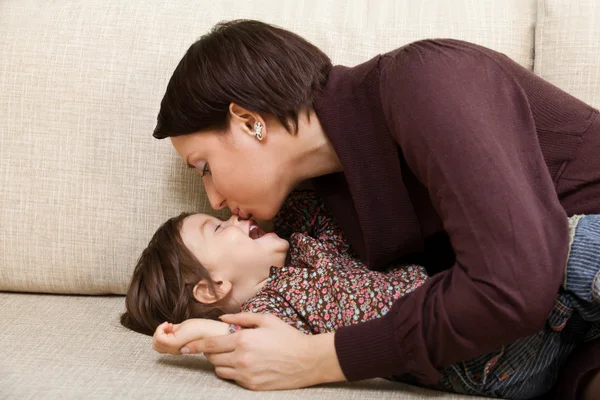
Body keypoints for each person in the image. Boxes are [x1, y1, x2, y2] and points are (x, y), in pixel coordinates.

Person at [150, 19, 600, 399]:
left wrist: (317, 359)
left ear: (250, 122)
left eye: (204, 167)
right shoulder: (325, 212)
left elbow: (510, 287)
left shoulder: (427, 78)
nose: (214, 201)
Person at [122, 189, 600, 399]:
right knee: (574, 240)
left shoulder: (309, 243)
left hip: (530, 334)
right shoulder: (271, 311)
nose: (235, 218)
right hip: (480, 356)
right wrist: (184, 334)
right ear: (213, 288)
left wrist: (251, 197)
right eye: (218, 227)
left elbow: (306, 198)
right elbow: (229, 339)